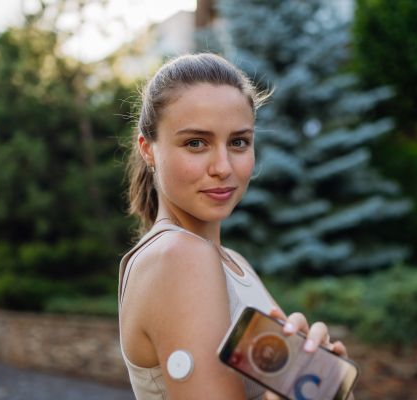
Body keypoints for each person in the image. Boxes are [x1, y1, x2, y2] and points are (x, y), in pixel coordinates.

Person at [118, 53, 351, 400]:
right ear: (148, 150)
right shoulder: (179, 256)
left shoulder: (234, 263)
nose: (223, 167)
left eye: (238, 142)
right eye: (196, 143)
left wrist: (326, 389)